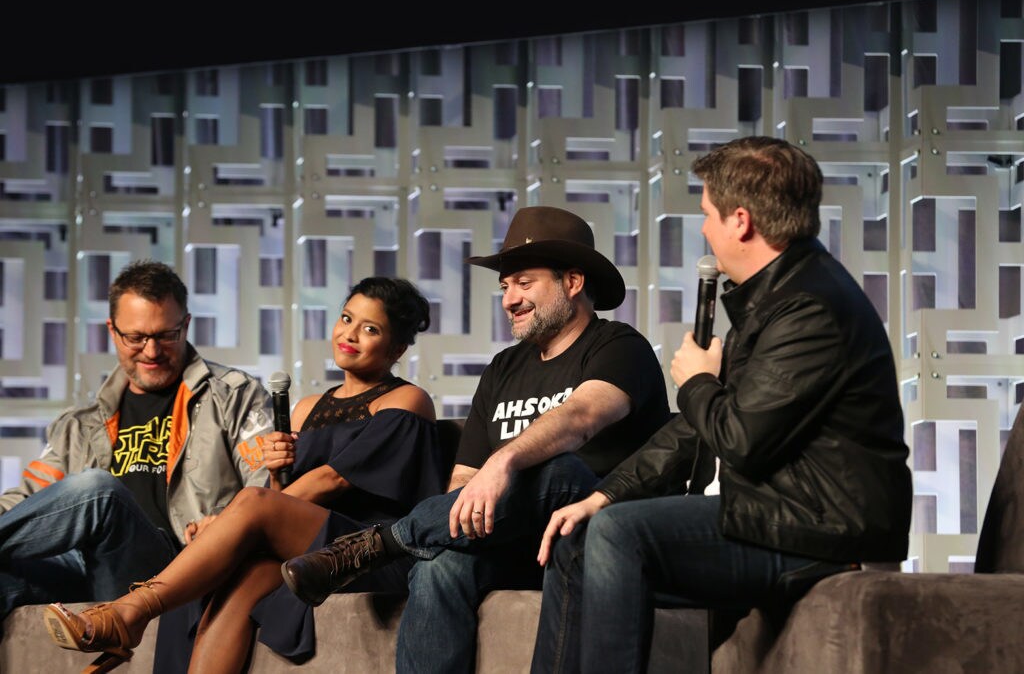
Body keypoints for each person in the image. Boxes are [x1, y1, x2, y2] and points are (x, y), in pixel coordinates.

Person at [529, 136, 914, 673]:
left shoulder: (809, 308)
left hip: (824, 530)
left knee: (622, 533)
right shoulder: (781, 299)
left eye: (707, 214)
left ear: (741, 220)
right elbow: (694, 430)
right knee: (583, 531)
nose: (704, 230)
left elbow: (740, 443)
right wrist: (606, 495)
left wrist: (695, 382)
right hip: (783, 516)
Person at [280, 206, 673, 673]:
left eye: (524, 283)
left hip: (595, 532)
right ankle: (395, 545)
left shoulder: (619, 346)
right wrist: (457, 524)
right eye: (505, 287)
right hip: (515, 541)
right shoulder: (503, 368)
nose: (509, 299)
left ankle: (383, 543)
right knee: (439, 566)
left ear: (572, 282)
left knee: (557, 469)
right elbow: (464, 479)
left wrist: (505, 460)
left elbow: (583, 416)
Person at [42, 276, 447, 673]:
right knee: (229, 590)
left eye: (370, 328)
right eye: (346, 318)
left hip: (371, 549)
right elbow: (283, 495)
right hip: (303, 546)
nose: (350, 334)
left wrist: (230, 517)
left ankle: (128, 614)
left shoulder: (407, 399)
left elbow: (332, 481)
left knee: (245, 508)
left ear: (396, 347)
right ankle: (130, 618)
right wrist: (274, 473)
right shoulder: (305, 407)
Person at [0, 259, 272, 623]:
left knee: (100, 492)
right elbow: (29, 502)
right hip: (90, 575)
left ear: (186, 325)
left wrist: (224, 523)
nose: (151, 351)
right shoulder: (78, 427)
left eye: (165, 335)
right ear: (112, 331)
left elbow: (270, 489)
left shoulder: (235, 397)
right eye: (136, 337)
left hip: (175, 572)